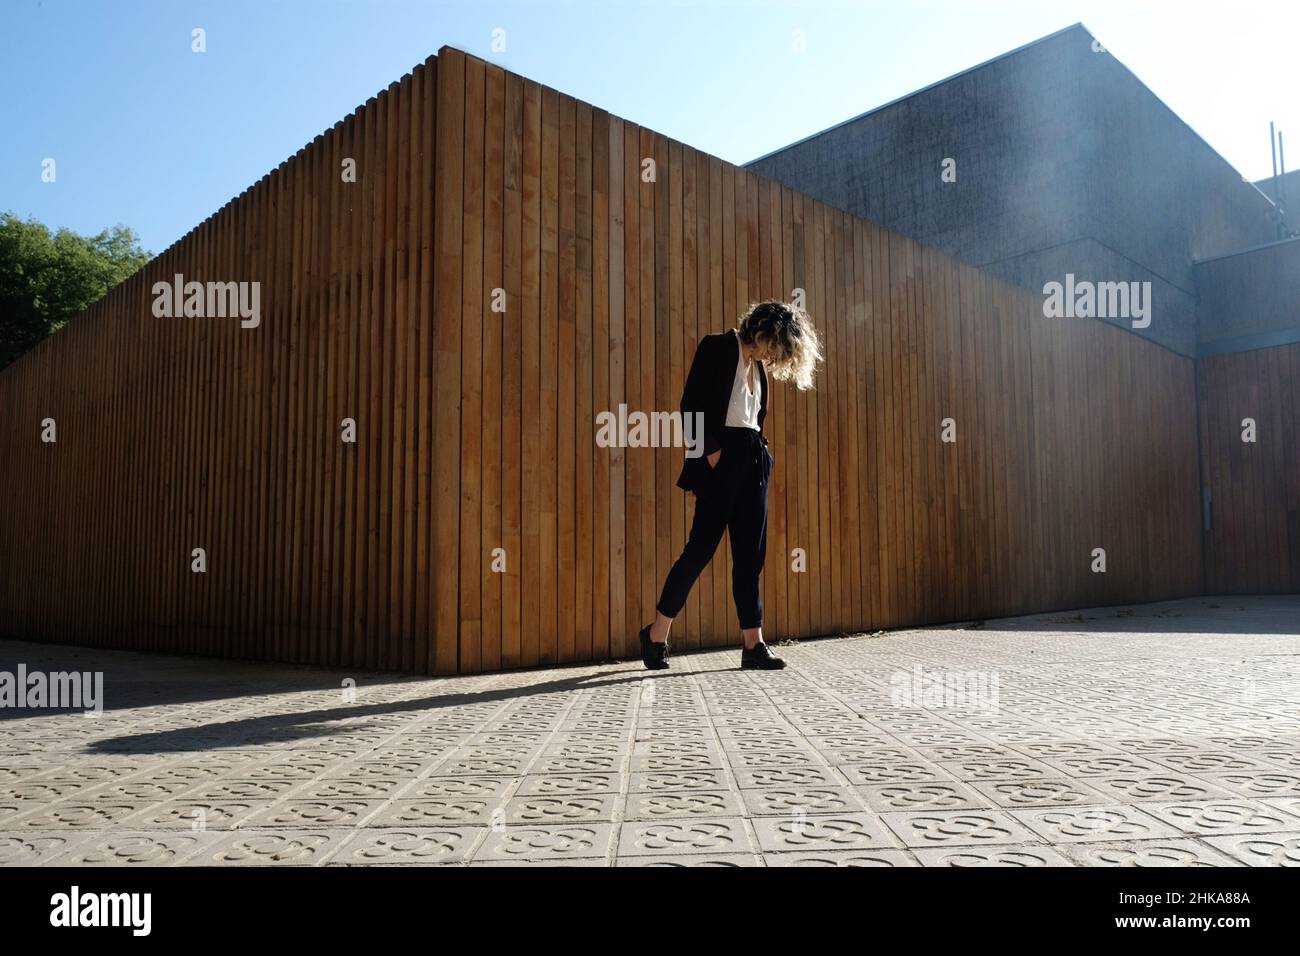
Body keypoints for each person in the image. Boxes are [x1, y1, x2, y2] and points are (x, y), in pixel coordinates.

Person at [638, 300, 823, 670]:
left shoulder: (760, 369)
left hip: (754, 460)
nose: (776, 357)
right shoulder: (717, 347)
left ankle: (753, 645)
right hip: (722, 459)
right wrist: (710, 454)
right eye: (777, 347)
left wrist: (762, 457)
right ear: (764, 333)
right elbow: (689, 405)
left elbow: (755, 418)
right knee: (700, 549)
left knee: (750, 557)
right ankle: (657, 633)